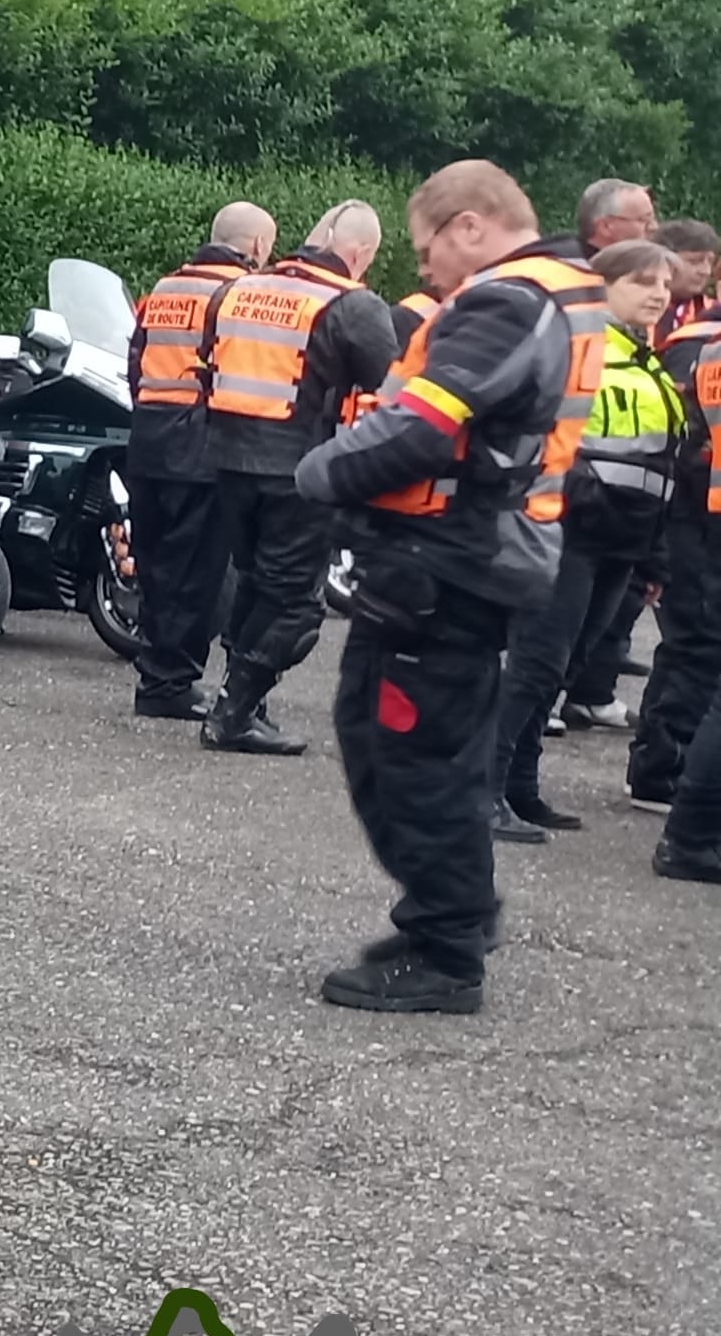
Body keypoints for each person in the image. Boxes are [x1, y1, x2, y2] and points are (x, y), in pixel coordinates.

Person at [293, 162, 606, 1014]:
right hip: (469, 556)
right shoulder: (564, 293)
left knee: (412, 754)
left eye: (428, 246)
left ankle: (446, 949)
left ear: (471, 224)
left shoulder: (506, 301)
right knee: (395, 740)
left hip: (449, 559)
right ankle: (447, 919)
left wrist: (318, 472)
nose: (424, 267)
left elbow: (424, 427)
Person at [191, 201, 400, 754]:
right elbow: (389, 384)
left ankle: (241, 703)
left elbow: (210, 359)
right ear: (360, 252)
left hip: (226, 461)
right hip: (299, 470)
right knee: (298, 605)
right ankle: (233, 713)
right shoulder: (352, 304)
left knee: (254, 583)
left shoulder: (236, 289)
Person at [487, 242, 683, 828]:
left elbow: (658, 466)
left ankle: (519, 787)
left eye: (664, 283)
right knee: (536, 665)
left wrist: (653, 559)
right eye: (643, 281)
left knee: (563, 667)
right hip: (565, 529)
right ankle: (481, 789)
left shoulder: (647, 361)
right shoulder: (576, 347)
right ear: (604, 284)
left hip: (620, 540)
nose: (658, 294)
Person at [126, 202, 276, 718]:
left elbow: (135, 361)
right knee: (197, 573)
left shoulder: (165, 288)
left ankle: (155, 677)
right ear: (257, 245)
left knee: (156, 567)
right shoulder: (243, 293)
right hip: (202, 442)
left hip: (148, 437)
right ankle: (169, 684)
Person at [627, 224, 721, 814]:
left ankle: (664, 766)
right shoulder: (697, 343)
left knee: (695, 644)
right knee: (698, 645)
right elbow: (683, 439)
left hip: (693, 511)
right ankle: (662, 768)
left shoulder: (697, 339)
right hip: (694, 516)